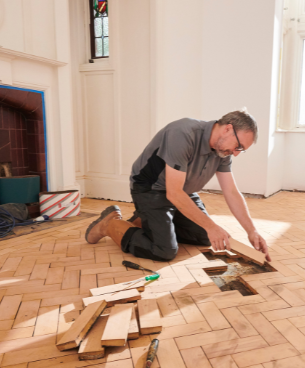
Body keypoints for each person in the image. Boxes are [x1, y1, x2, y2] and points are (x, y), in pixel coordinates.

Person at [84, 110, 272, 262]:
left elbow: (231, 191)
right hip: (152, 188)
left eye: (241, 151)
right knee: (164, 250)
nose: (236, 154)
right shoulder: (183, 133)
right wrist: (212, 226)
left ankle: (147, 219)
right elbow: (173, 193)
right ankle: (109, 224)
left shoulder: (223, 151)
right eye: (238, 146)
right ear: (227, 129)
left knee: (205, 237)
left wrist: (251, 231)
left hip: (184, 192)